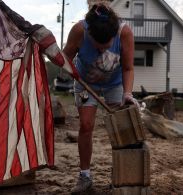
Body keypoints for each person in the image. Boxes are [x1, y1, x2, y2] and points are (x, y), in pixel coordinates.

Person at [62, 3, 139, 193]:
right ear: (90, 35)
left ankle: (120, 174)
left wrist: (127, 94)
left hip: (115, 84)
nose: (104, 49)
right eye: (99, 46)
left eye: (108, 45)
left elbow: (128, 68)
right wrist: (70, 70)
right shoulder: (79, 30)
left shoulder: (125, 33)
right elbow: (65, 58)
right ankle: (85, 176)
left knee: (122, 127)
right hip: (85, 81)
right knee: (86, 125)